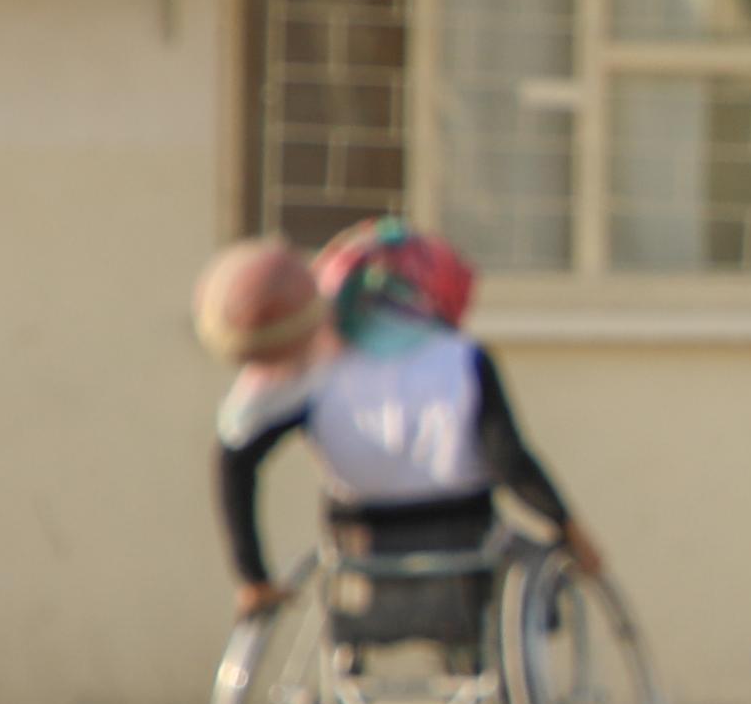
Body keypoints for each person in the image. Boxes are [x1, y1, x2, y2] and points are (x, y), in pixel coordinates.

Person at [217, 220, 601, 656]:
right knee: (529, 567)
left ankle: (346, 694)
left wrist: (253, 576)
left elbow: (235, 456)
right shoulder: (461, 359)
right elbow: (507, 458)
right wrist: (567, 525)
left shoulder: (313, 368)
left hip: (359, 543)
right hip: (463, 538)